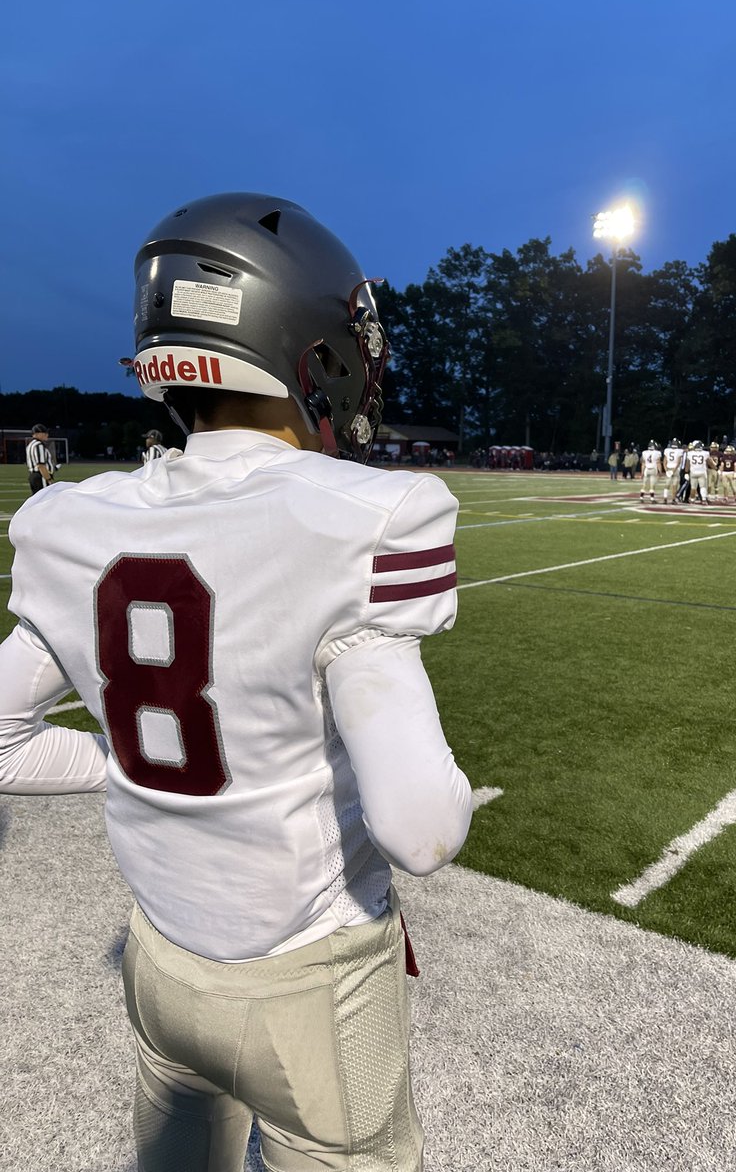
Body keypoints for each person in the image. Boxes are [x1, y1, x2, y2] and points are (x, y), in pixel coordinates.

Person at [0, 192, 473, 1172]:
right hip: (309, 984)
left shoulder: (76, 520)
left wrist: (136, 762)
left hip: (163, 967)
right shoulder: (367, 514)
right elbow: (421, 828)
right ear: (310, 351)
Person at [25, 423, 55, 493]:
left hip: (33, 475)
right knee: (45, 499)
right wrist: (48, 479)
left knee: (37, 500)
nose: (47, 435)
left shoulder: (31, 445)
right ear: (37, 434)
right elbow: (40, 465)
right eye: (44, 433)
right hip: (40, 476)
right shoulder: (39, 445)